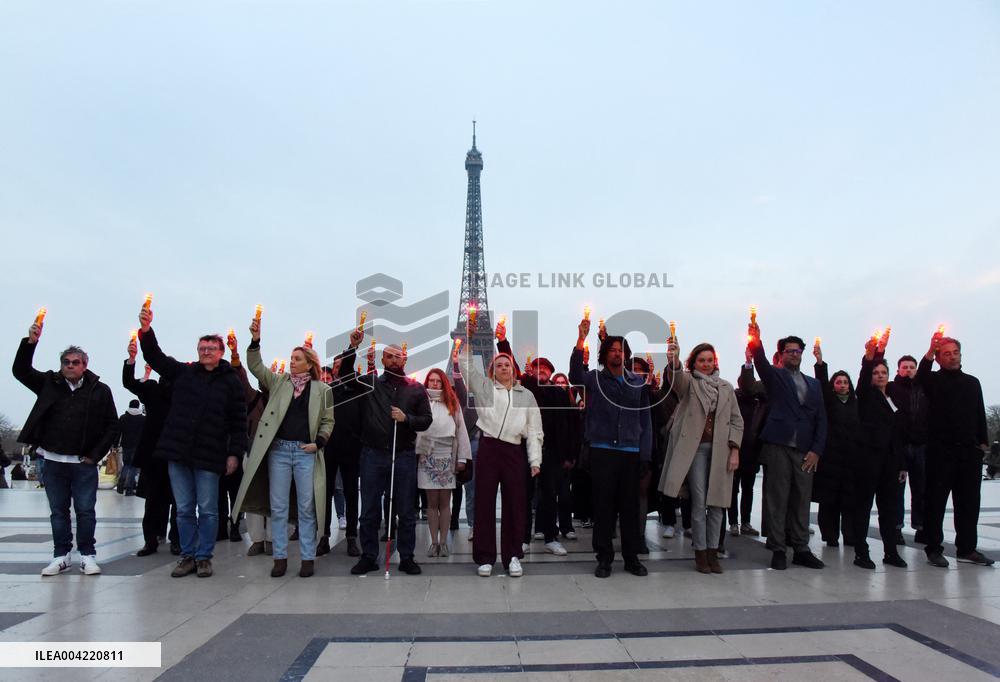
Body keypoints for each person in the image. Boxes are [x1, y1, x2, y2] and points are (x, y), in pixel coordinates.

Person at [137, 306, 247, 579]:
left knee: (209, 510)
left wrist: (234, 454)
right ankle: (187, 555)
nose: (205, 352)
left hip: (210, 455)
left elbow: (238, 421)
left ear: (221, 352)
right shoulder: (185, 373)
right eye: (202, 348)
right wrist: (146, 330)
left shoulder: (231, 382)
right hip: (179, 452)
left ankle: (204, 556)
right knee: (184, 509)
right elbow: (156, 357)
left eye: (211, 348)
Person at [13, 321, 118, 576]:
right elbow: (21, 370)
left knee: (85, 510)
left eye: (75, 362)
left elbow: (112, 426)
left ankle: (87, 555)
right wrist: (31, 343)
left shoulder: (100, 391)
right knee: (58, 511)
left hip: (82, 463)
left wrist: (94, 456)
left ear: (85, 365)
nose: (70, 366)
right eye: (66, 362)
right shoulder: (50, 383)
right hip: (53, 460)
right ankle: (61, 555)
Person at [232, 319, 334, 578]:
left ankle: (308, 557)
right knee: (277, 507)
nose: (292, 361)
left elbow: (328, 420)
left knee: (306, 507)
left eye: (297, 358)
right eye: (291, 357)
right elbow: (255, 366)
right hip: (278, 451)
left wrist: (319, 442)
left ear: (309, 363)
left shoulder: (322, 390)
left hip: (305, 452)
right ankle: (280, 557)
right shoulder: (279, 383)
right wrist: (255, 340)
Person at [337, 328, 432, 577]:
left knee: (405, 509)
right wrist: (352, 348)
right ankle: (369, 556)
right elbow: (345, 375)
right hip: (373, 454)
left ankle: (407, 556)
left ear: (405, 360)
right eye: (388, 356)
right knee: (369, 508)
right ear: (382, 361)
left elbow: (426, 420)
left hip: (402, 455)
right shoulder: (370, 384)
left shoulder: (416, 389)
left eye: (397, 356)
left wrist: (407, 418)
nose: (393, 360)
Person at [569, 317, 652, 579]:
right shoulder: (594, 379)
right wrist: (581, 339)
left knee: (629, 507)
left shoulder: (638, 383)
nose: (617, 353)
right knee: (603, 507)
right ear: (605, 354)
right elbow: (574, 376)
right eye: (612, 349)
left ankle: (631, 557)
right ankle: (604, 558)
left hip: (629, 451)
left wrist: (645, 454)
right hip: (603, 450)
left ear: (626, 355)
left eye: (621, 350)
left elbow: (645, 420)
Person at [459, 320, 543, 578]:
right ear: (492, 371)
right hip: (489, 448)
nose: (504, 368)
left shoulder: (526, 395)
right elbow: (466, 367)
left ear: (514, 370)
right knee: (483, 502)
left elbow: (534, 430)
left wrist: (534, 460)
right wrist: (468, 339)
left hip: (514, 451)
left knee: (515, 505)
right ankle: (485, 557)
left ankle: (513, 556)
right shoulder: (485, 388)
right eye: (499, 365)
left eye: (507, 364)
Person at [748, 324, 827, 570]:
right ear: (781, 354)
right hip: (779, 445)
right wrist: (756, 341)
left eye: (798, 351)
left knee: (802, 499)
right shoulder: (776, 376)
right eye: (789, 350)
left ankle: (801, 548)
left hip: (804, 449)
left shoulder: (813, 384)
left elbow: (822, 418)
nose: (794, 354)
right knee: (778, 497)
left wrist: (816, 450)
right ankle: (778, 548)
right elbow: (760, 363)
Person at [659, 342, 743, 574]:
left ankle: (713, 552)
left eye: (709, 360)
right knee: (699, 500)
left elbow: (737, 421)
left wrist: (735, 449)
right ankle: (700, 552)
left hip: (721, 453)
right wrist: (673, 361)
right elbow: (677, 381)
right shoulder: (690, 384)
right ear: (693, 363)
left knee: (717, 503)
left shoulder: (726, 388)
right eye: (701, 360)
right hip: (696, 451)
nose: (706, 364)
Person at [918, 332, 994, 567]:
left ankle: (967, 548)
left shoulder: (972, 382)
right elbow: (921, 374)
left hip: (968, 453)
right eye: (946, 354)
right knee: (936, 502)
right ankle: (933, 548)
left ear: (961, 355)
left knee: (969, 503)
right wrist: (931, 350)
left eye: (955, 353)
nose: (952, 357)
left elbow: (979, 413)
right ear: (939, 359)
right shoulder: (933, 381)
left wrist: (982, 442)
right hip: (941, 452)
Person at [852, 335, 908, 569]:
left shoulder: (895, 397)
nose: (880, 375)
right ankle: (861, 552)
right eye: (876, 373)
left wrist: (903, 464)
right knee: (864, 506)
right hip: (869, 460)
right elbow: (864, 380)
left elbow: (901, 434)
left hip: (892, 462)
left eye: (883, 372)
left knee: (889, 509)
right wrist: (871, 356)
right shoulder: (867, 395)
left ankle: (890, 552)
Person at [123, 349, 179, 557]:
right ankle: (151, 539)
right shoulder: (152, 389)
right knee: (154, 499)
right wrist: (131, 359)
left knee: (178, 500)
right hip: (154, 452)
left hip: (175, 451)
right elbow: (129, 383)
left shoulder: (183, 392)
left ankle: (176, 539)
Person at [416, 368, 472, 557]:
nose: (434, 384)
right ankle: (433, 542)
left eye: (438, 381)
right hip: (427, 455)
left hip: (447, 454)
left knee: (445, 502)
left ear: (443, 383)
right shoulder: (421, 402)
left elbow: (461, 430)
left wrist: (462, 458)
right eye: (431, 380)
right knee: (431, 503)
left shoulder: (452, 402)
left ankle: (444, 542)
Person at [228, 332, 272, 556]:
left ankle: (273, 539)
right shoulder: (253, 397)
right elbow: (241, 377)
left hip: (275, 454)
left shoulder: (282, 400)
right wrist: (235, 355)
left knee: (276, 498)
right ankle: (257, 540)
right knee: (254, 497)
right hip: (253, 451)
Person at [811, 344, 860, 548]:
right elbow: (821, 383)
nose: (842, 385)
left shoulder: (856, 403)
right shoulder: (829, 401)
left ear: (850, 385)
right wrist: (820, 362)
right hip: (831, 459)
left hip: (850, 460)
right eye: (838, 382)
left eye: (845, 382)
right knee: (829, 501)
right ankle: (830, 536)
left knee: (849, 501)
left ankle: (850, 535)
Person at [319, 354, 363, 558]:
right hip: (328, 448)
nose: (337, 368)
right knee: (325, 493)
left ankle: (352, 537)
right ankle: (324, 536)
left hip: (351, 448)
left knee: (351, 493)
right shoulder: (326, 391)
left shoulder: (357, 389)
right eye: (335, 365)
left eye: (341, 365)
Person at [887, 355, 928, 543]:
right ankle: (896, 528)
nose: (908, 370)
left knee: (921, 488)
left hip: (920, 444)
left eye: (912, 367)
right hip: (900, 445)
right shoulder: (892, 388)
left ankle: (921, 526)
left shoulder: (924, 388)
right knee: (896, 491)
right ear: (898, 370)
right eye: (905, 367)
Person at [116, 399, 145, 496]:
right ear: (138, 406)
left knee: (126, 465)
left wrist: (115, 444)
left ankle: (120, 484)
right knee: (133, 466)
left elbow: (118, 432)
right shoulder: (142, 419)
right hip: (138, 445)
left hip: (126, 445)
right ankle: (129, 489)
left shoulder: (123, 418)